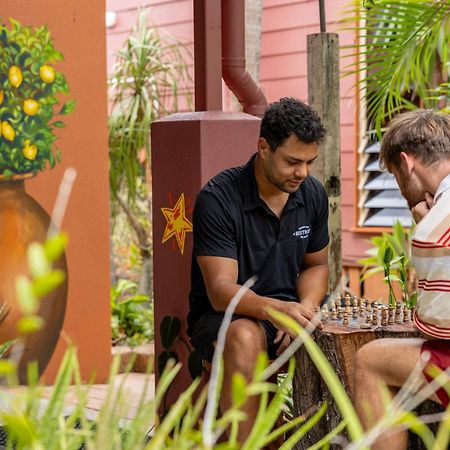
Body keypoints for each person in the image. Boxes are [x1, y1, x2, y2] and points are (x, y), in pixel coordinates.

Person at [187, 97, 330, 441]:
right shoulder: (218, 198)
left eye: (310, 162)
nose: (303, 173)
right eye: (293, 162)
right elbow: (221, 292)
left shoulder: (312, 194)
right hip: (225, 317)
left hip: (288, 312)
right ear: (263, 148)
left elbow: (317, 264)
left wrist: (305, 311)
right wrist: (280, 312)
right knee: (246, 334)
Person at [353, 109, 450, 449]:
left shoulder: (434, 229)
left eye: (395, 177)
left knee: (370, 361)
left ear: (407, 163)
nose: (399, 190)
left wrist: (422, 227)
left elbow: (437, 328)